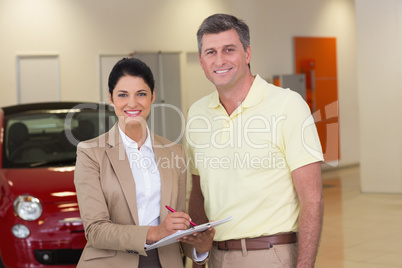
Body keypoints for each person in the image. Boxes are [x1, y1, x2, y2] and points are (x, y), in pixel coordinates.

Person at [186, 14, 324, 268]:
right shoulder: (197, 113)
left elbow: (312, 198)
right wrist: (199, 261)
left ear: (247, 54)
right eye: (210, 52)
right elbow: (199, 192)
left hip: (270, 254)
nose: (220, 60)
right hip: (216, 257)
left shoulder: (287, 105)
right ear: (201, 61)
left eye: (229, 50)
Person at [74, 57, 214, 268]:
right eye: (123, 95)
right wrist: (155, 232)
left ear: (152, 96)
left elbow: (176, 226)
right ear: (111, 98)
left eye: (141, 94)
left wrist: (199, 248)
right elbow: (95, 230)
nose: (132, 103)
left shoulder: (174, 152)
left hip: (165, 261)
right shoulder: (90, 153)